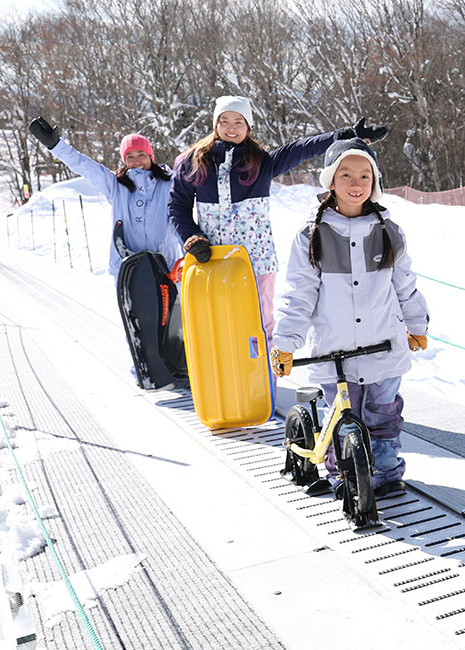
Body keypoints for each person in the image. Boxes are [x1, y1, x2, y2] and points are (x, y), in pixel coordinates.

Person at [269, 137, 429, 497]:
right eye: (346, 175)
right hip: (336, 348)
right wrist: (286, 344)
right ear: (330, 180)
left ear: (375, 184)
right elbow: (299, 295)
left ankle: (387, 472)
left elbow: (405, 286)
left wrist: (417, 325)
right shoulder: (312, 236)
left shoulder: (389, 232)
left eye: (364, 176)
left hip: (385, 346)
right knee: (343, 416)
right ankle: (345, 473)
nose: (356, 184)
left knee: (384, 415)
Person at [167, 95, 387, 338]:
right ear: (215, 124)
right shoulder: (193, 163)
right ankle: (217, 375)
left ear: (248, 127)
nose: (231, 128)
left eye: (239, 122)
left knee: (259, 327)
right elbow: (178, 206)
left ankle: (264, 375)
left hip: (256, 262)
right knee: (215, 329)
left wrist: (341, 137)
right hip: (211, 260)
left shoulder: (261, 162)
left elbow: (302, 148)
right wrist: (192, 238)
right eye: (225, 121)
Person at [27, 117, 182, 275]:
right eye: (130, 157)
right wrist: (57, 146)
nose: (137, 161)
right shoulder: (115, 185)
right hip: (128, 271)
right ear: (124, 161)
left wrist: (191, 256)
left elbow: (180, 222)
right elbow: (85, 166)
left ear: (150, 156)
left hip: (167, 268)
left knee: (171, 301)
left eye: (141, 154)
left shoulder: (169, 184)